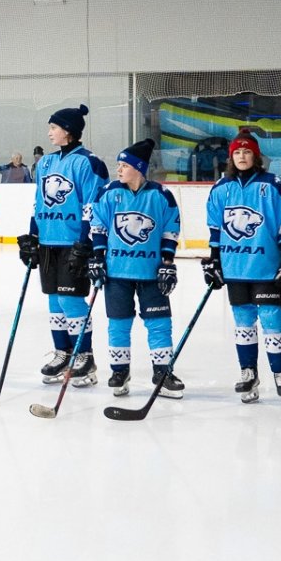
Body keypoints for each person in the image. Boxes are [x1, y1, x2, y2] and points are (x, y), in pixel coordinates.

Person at [203, 130, 281, 402]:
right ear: (231, 157)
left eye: (247, 152)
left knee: (272, 317)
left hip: (266, 267)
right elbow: (215, 228)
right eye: (237, 152)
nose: (242, 156)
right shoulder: (221, 188)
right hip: (234, 267)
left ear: (256, 156)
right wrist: (214, 259)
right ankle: (248, 372)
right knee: (243, 320)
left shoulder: (274, 185)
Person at [16, 104, 108, 385]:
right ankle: (63, 353)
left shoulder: (89, 162)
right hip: (48, 242)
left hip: (72, 242)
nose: (50, 133)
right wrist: (33, 235)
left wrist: (85, 241)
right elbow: (39, 202)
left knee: (70, 299)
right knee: (55, 301)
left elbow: (93, 205)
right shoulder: (45, 163)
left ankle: (84, 357)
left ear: (68, 131)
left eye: (54, 127)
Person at [91, 139, 182, 396]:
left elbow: (170, 230)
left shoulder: (161, 195)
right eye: (119, 165)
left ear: (139, 168)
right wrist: (97, 257)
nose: (118, 170)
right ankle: (120, 371)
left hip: (151, 273)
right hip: (116, 272)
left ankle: (162, 372)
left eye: (124, 166)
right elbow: (98, 226)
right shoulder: (109, 192)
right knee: (118, 324)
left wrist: (167, 262)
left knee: (159, 323)